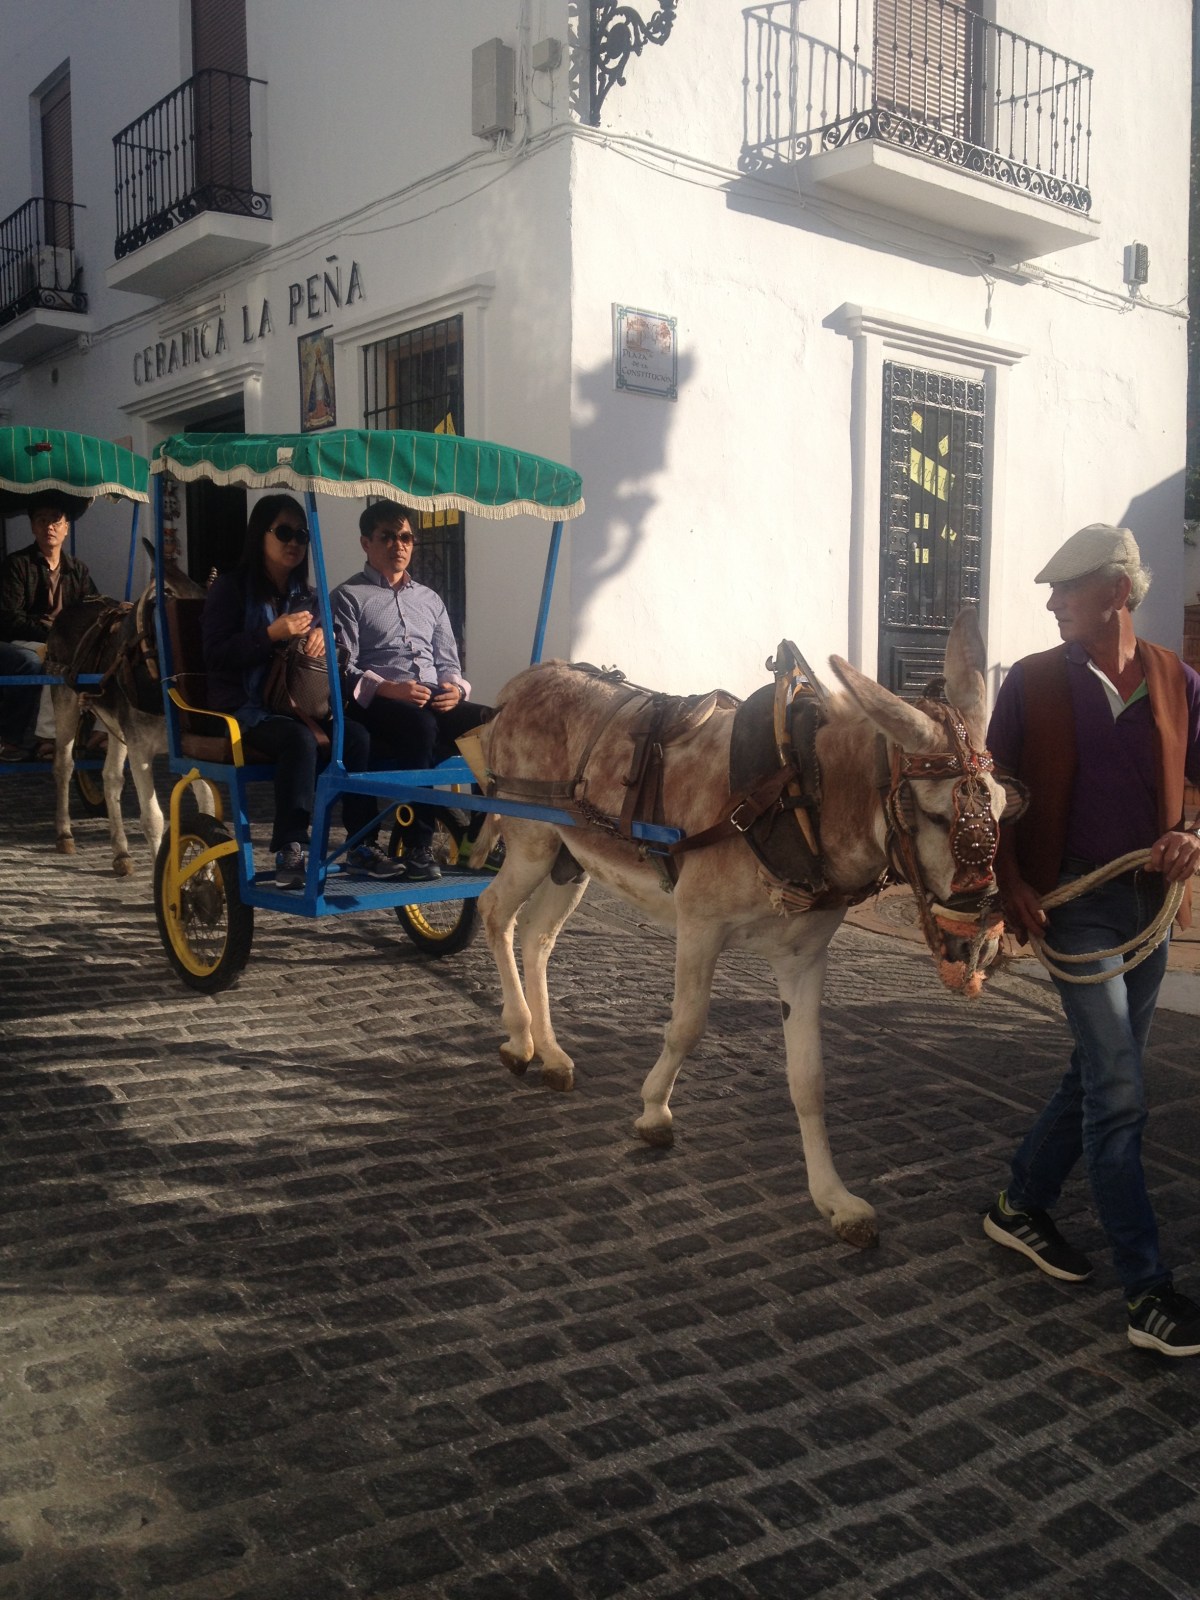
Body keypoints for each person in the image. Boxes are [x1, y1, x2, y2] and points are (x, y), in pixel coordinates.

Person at [984, 522, 1200, 1356]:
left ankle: (1019, 1205)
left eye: (1064, 590)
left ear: (1115, 592)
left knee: (1098, 1071)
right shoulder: (1033, 683)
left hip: (1148, 904)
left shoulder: (1177, 680)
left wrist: (1189, 831)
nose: (1050, 603)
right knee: (1120, 1089)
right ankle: (1147, 1290)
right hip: (1070, 903)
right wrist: (1011, 884)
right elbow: (993, 794)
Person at [202, 493, 404, 888]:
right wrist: (269, 635)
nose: (293, 541)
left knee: (357, 736)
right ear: (260, 535)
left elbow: (334, 647)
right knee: (300, 741)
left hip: (297, 704)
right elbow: (216, 655)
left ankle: (362, 844)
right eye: (283, 532)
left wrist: (323, 636)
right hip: (243, 708)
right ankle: (290, 846)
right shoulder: (230, 589)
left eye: (301, 533)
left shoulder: (307, 595)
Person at [331, 499, 490, 881]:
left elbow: (448, 659)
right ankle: (420, 846)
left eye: (405, 537)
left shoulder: (430, 599)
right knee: (421, 728)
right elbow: (343, 668)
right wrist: (390, 689)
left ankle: (480, 837)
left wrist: (456, 689)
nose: (398, 545)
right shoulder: (348, 597)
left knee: (492, 724)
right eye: (387, 537)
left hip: (432, 697)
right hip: (378, 702)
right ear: (366, 543)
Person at [0, 491, 99, 760]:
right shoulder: (17, 565)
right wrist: (52, 633)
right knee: (43, 659)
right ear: (33, 526)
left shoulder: (78, 570)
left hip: (67, 641)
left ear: (66, 528)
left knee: (104, 657)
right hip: (25, 640)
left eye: (56, 521)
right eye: (42, 520)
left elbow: (92, 606)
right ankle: (42, 737)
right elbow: (10, 619)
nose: (49, 527)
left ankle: (101, 731)